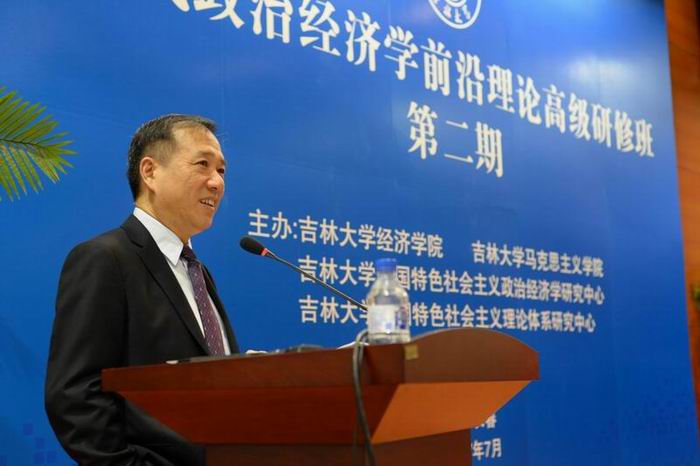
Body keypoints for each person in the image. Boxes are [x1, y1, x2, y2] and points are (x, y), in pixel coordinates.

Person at [45, 114, 238, 465]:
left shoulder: (197, 271)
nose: (216, 183)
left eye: (221, 170)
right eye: (203, 165)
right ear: (150, 172)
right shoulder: (105, 258)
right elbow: (74, 396)